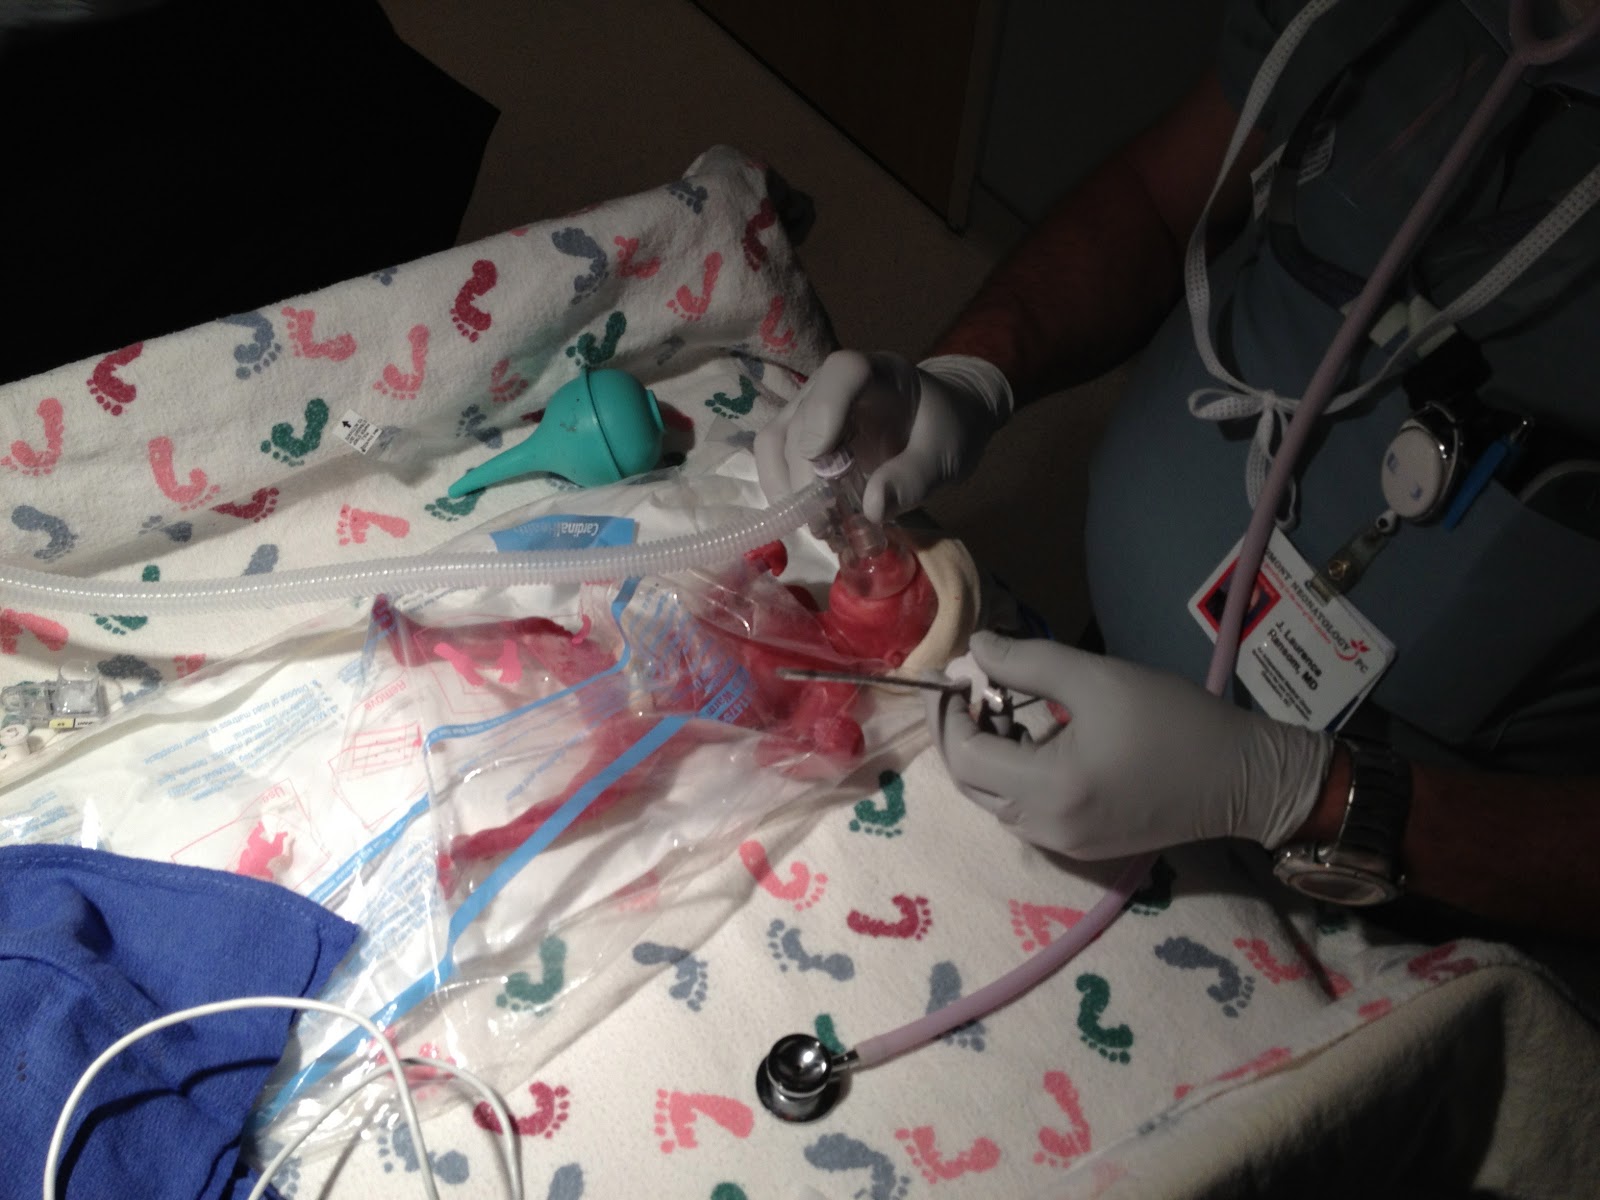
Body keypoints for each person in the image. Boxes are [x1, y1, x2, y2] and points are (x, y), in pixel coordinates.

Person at [757, 0, 1600, 943]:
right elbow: (1160, 198)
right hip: (1107, 692)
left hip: (1388, 888)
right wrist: (971, 374)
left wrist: (1309, 795)